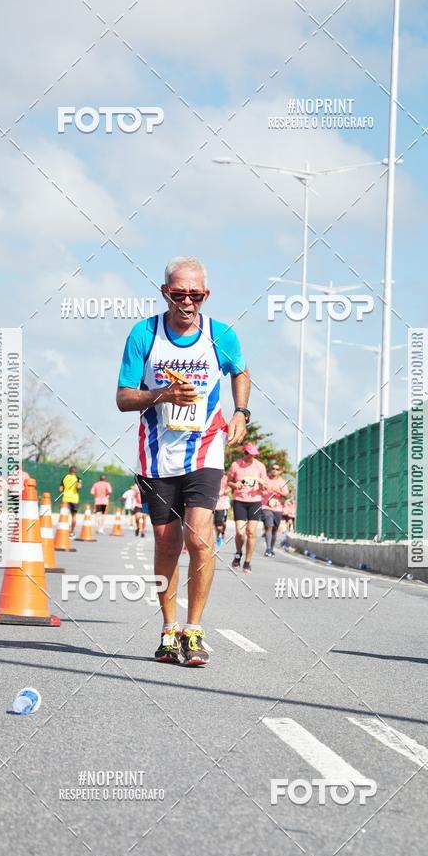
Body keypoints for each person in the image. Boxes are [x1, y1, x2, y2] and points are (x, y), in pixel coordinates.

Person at [117, 255, 249, 666]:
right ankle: (169, 629)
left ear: (206, 295)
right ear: (165, 293)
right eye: (179, 294)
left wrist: (241, 411)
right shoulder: (144, 334)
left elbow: (240, 371)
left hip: (205, 448)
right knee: (166, 542)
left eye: (196, 295)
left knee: (198, 536)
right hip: (156, 454)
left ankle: (194, 630)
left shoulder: (221, 334)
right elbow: (123, 398)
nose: (187, 302)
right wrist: (161, 395)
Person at [228, 443, 267, 573]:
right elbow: (229, 481)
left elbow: (265, 486)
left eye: (254, 455)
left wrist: (263, 484)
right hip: (239, 500)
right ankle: (238, 554)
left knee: (251, 532)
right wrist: (235, 485)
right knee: (240, 532)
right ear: (245, 453)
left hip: (255, 501)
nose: (252, 457)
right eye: (250, 454)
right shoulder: (236, 465)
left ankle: (247, 562)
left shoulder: (260, 466)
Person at [261, 463, 289, 557]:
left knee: (274, 529)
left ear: (279, 471)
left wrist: (277, 491)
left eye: (277, 469)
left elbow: (286, 494)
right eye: (273, 468)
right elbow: (260, 490)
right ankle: (268, 548)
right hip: (266, 507)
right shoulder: (265, 480)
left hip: (278, 508)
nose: (274, 470)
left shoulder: (282, 482)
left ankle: (271, 549)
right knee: (269, 526)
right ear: (270, 469)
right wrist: (264, 491)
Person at [59, 466, 82, 536]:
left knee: (65, 515)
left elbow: (60, 489)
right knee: (73, 516)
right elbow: (79, 487)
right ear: (76, 471)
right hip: (74, 499)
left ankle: (64, 530)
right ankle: (72, 531)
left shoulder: (64, 477)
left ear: (69, 471)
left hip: (65, 498)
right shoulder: (78, 478)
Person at [213, 471, 230, 548]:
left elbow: (230, 488)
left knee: (221, 525)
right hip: (212, 505)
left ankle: (221, 533)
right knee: (212, 524)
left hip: (222, 505)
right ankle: (215, 538)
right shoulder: (212, 476)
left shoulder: (226, 478)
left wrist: (223, 492)